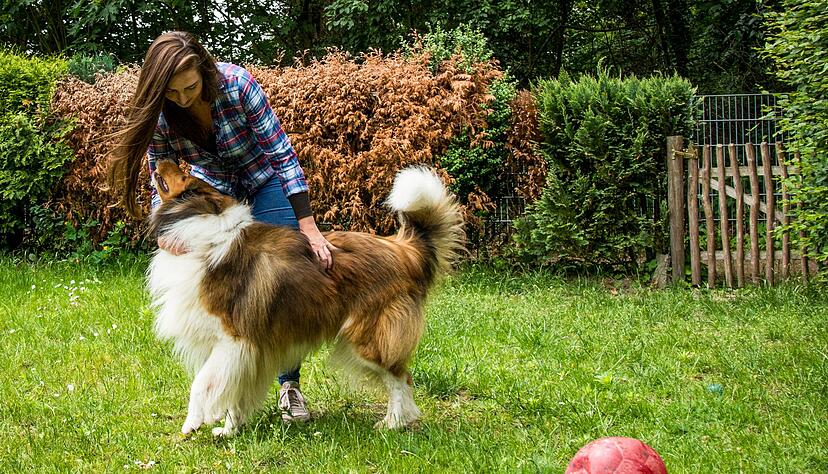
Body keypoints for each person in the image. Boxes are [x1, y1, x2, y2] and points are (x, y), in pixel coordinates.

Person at [108, 31, 335, 423]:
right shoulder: (164, 114)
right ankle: (235, 390)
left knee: (278, 283)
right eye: (173, 92)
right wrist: (164, 233)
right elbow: (157, 174)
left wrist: (308, 225)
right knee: (230, 295)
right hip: (220, 197)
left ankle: (289, 388)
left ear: (205, 69)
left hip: (266, 182)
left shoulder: (239, 86)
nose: (183, 98)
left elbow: (282, 154)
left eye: (190, 87)